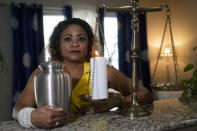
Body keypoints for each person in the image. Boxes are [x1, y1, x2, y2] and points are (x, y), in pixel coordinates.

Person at [12, 18, 153, 129]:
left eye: (81, 38)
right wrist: (30, 117)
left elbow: (145, 94)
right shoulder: (43, 74)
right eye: (68, 38)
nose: (75, 44)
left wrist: (118, 102)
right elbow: (17, 109)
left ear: (89, 45)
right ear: (58, 45)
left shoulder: (103, 70)